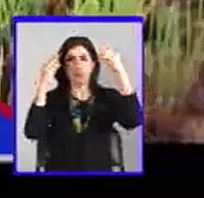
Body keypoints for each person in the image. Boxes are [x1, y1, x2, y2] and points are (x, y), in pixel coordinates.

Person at [23, 35, 142, 172]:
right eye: (70, 59)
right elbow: (32, 132)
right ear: (64, 67)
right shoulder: (51, 99)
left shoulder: (107, 97)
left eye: (83, 58)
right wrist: (42, 85)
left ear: (93, 65)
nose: (77, 64)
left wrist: (119, 72)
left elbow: (133, 120)